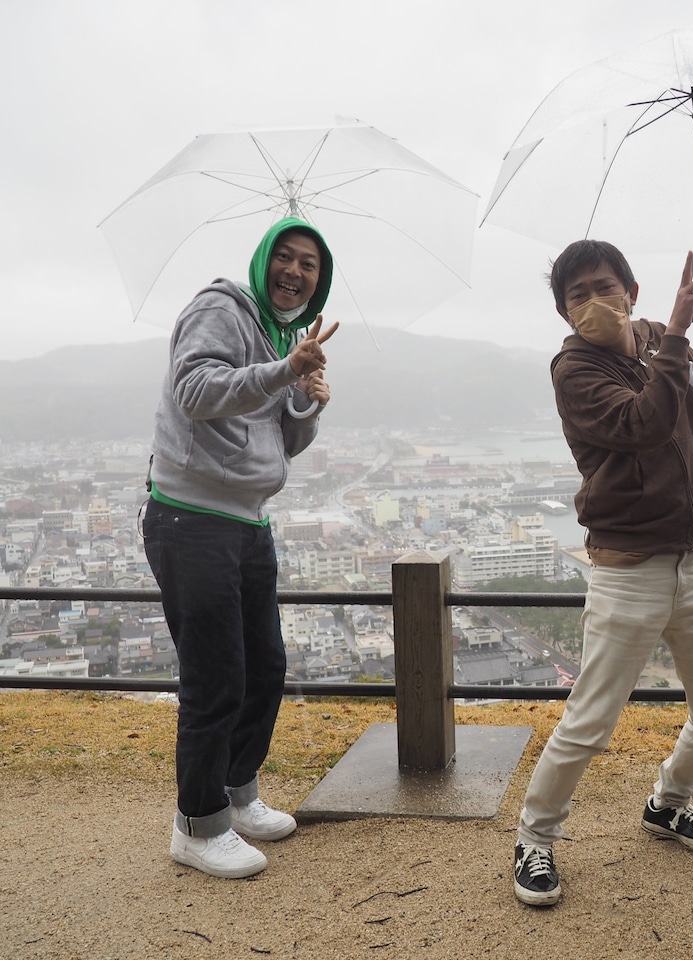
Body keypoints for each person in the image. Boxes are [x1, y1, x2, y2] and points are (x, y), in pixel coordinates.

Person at [512, 240, 693, 907]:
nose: (593, 301)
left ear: (631, 291)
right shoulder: (574, 370)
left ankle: (668, 803)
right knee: (590, 720)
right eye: (577, 294)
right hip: (627, 569)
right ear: (563, 310)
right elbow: (643, 424)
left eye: (604, 287)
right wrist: (677, 337)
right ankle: (534, 836)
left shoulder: (653, 338)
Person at [143, 216, 339, 879]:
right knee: (216, 676)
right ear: (263, 261)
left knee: (264, 667)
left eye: (309, 264)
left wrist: (306, 399)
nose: (295, 271)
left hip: (249, 521)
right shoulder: (220, 309)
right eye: (285, 256)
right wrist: (285, 369)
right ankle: (197, 825)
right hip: (190, 517)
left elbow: (282, 441)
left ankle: (236, 792)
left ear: (319, 281)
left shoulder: (284, 336)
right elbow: (195, 392)